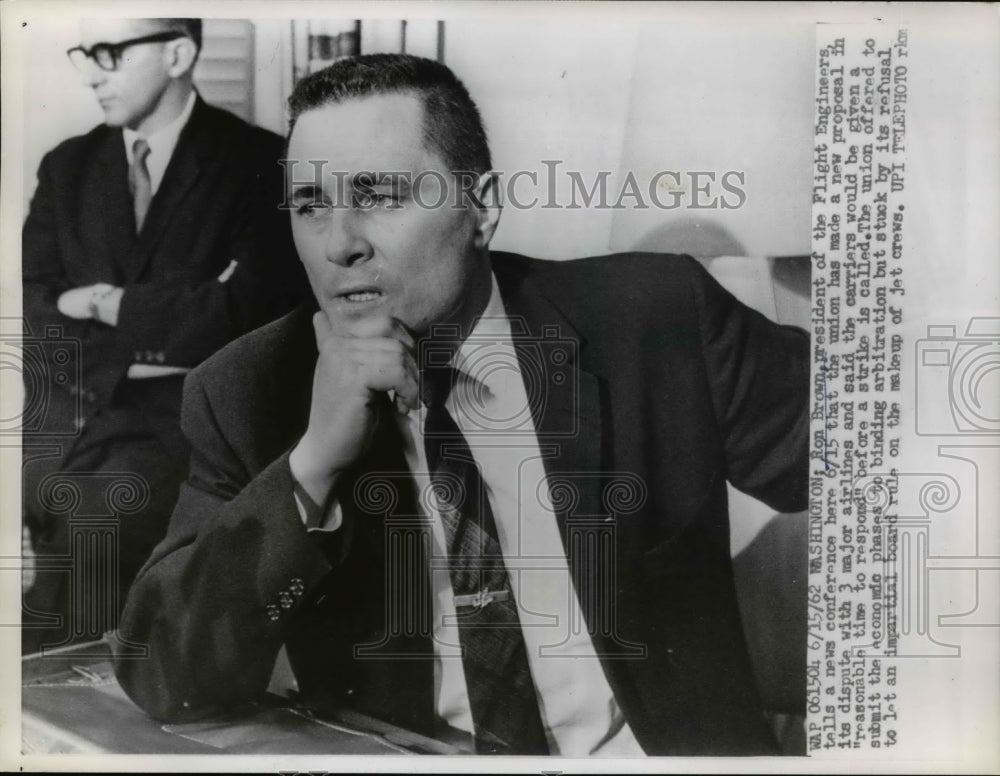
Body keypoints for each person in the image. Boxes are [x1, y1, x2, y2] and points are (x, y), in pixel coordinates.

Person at [114, 53, 808, 756]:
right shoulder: (248, 390)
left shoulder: (656, 320)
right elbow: (164, 675)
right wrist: (314, 464)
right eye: (310, 205)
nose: (340, 244)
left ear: (481, 207)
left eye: (379, 196)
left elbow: (883, 460)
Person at [21, 18, 306, 655]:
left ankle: (74, 713)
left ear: (178, 53)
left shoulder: (258, 163)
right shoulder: (68, 167)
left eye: (111, 53)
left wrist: (101, 301)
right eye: (85, 54)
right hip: (74, 411)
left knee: (91, 531)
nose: (92, 73)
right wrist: (167, 316)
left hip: (189, 424)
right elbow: (37, 310)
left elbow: (249, 309)